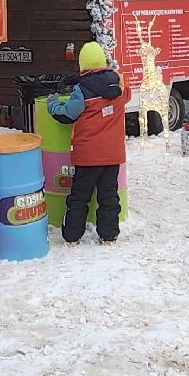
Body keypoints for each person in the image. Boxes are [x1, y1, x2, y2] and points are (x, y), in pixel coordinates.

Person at [46, 41, 129, 244]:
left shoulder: (81, 90)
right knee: (109, 196)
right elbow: (125, 96)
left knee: (79, 197)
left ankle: (72, 237)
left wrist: (53, 103)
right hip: (112, 155)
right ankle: (109, 235)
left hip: (88, 156)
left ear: (83, 65)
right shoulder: (120, 84)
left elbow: (67, 114)